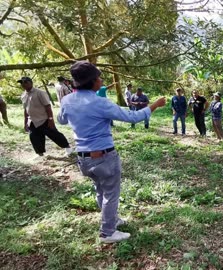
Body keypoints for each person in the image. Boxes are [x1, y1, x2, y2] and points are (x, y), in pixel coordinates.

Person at [57, 61, 166, 243]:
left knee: (100, 189)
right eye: (98, 77)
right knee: (111, 193)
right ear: (92, 81)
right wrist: (154, 105)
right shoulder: (101, 103)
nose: (101, 80)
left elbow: (61, 120)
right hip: (104, 156)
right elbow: (133, 116)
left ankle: (112, 219)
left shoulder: (67, 100)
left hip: (83, 158)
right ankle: (107, 232)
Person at [18, 76, 72, 157]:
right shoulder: (23, 95)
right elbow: (26, 110)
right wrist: (25, 122)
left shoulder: (39, 92)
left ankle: (67, 147)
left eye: (26, 82)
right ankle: (40, 154)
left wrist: (51, 120)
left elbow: (48, 106)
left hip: (44, 119)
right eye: (22, 83)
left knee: (54, 135)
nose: (24, 84)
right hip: (32, 121)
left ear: (31, 83)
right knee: (35, 138)